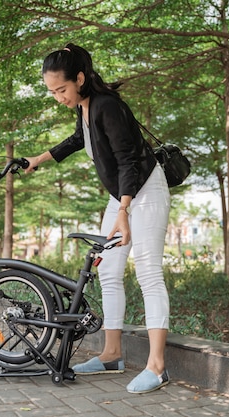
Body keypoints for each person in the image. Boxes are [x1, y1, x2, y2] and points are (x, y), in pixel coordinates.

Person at [24, 43, 172, 394]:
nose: (58, 97)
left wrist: (124, 212)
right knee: (107, 269)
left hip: (144, 192)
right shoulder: (85, 106)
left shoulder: (108, 106)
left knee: (149, 271)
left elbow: (129, 162)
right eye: (52, 92)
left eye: (61, 89)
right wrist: (39, 159)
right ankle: (111, 354)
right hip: (120, 195)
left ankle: (158, 366)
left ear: (80, 78)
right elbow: (80, 139)